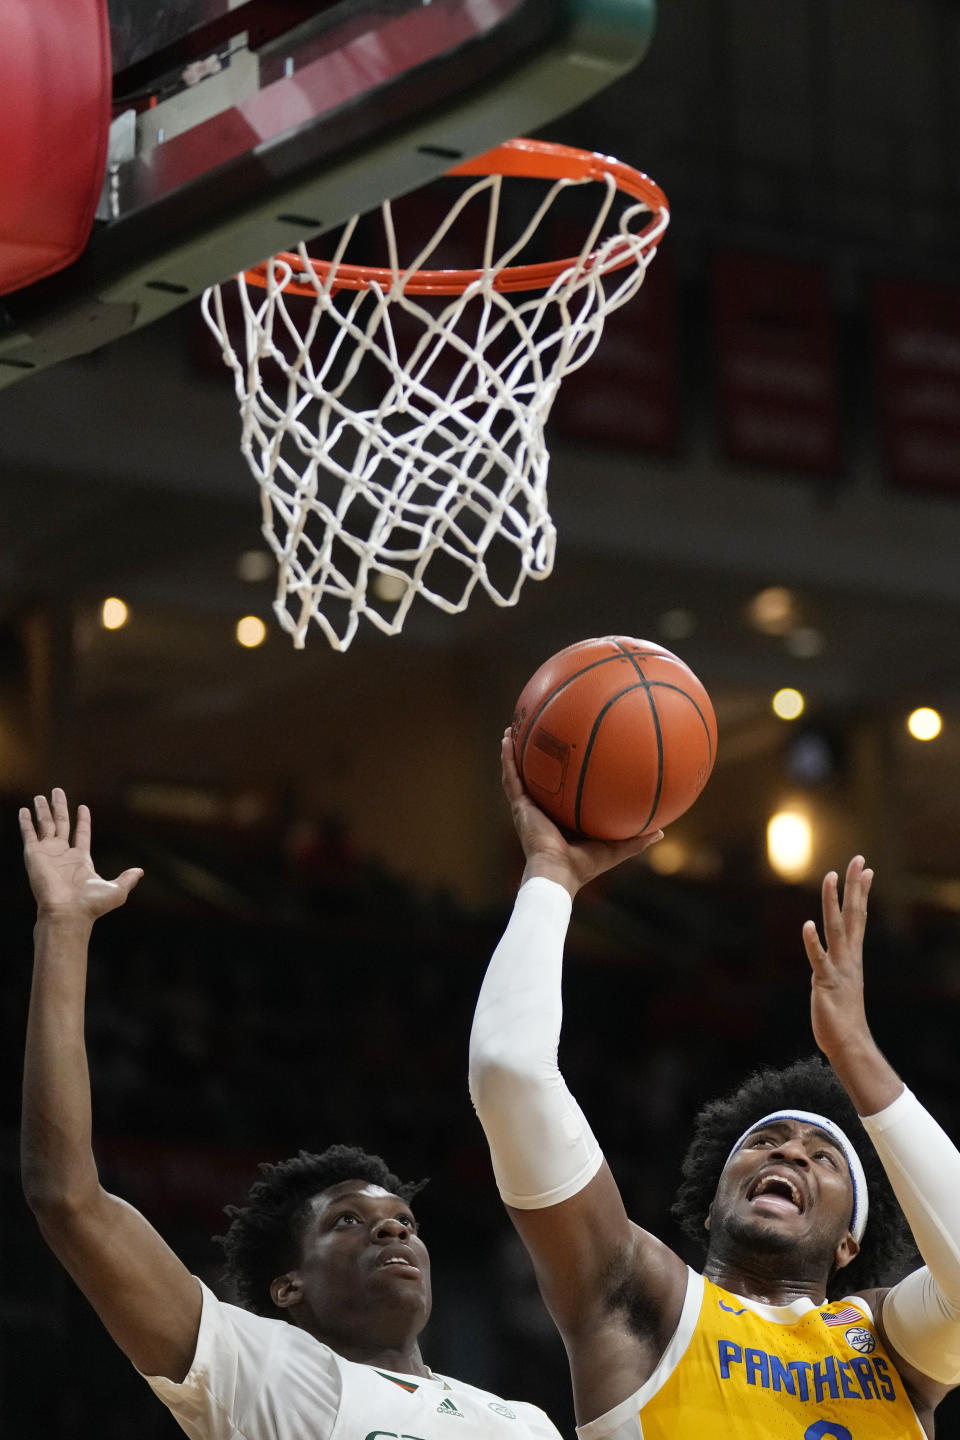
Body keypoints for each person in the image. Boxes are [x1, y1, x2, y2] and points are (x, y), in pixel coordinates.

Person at [19, 788, 564, 1440]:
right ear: (288, 1288)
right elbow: (67, 1197)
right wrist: (64, 927)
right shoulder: (267, 1372)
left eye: (403, 1222)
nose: (391, 1233)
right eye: (347, 1221)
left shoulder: (524, 1424)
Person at [468, 733, 960, 1439]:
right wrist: (549, 873)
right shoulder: (643, 1299)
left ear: (850, 1243)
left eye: (823, 1156)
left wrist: (854, 1052)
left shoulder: (890, 1346)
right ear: (709, 1207)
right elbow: (509, 1075)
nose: (788, 1154)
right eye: (764, 1141)